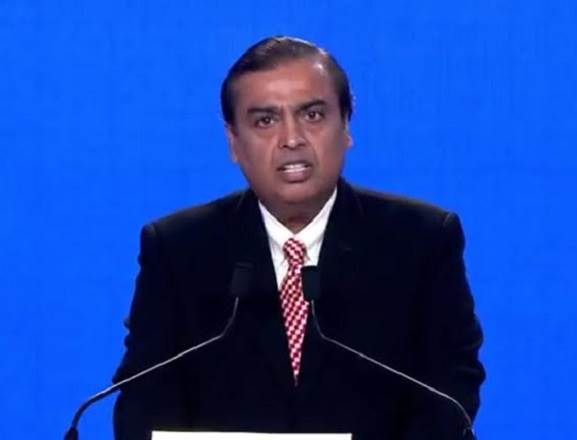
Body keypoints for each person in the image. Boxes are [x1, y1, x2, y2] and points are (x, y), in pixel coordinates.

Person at [113, 36, 485, 440]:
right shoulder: (178, 248)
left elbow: (450, 386)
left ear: (346, 126)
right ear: (233, 142)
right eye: (265, 121)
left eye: (312, 114)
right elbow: (144, 400)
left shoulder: (421, 240)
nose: (292, 139)